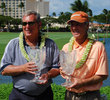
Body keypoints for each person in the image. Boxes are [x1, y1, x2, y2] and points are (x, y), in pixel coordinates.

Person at [0, 10, 60, 100]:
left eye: (31, 23)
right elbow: (3, 70)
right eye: (24, 24)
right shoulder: (13, 44)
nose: (27, 26)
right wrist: (23, 68)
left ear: (39, 25)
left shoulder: (50, 44)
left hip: (45, 95)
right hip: (19, 95)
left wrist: (48, 75)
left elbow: (57, 68)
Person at [60, 11, 108, 100]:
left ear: (87, 26)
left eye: (78, 24)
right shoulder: (66, 47)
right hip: (69, 95)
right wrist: (63, 71)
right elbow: (63, 71)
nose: (74, 28)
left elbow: (103, 75)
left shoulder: (98, 47)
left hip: (91, 96)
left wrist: (82, 83)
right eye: (72, 25)